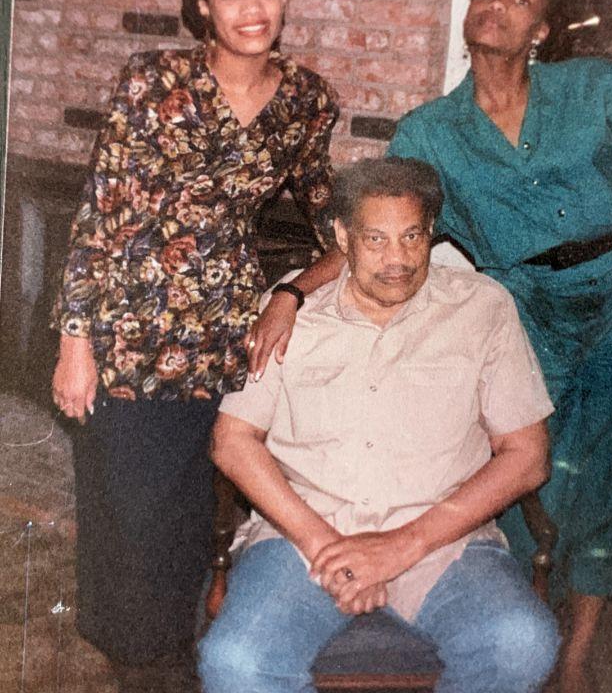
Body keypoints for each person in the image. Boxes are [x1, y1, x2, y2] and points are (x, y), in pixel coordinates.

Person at [248, 0, 612, 693]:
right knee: (510, 462)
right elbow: (375, 232)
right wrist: (290, 294)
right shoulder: (429, 131)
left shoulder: (592, 85)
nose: (496, 7)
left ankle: (573, 655)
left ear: (542, 28)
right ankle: (474, 619)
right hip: (525, 305)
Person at [50, 0, 339, 688]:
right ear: (205, 7)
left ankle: (173, 648)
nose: (253, 9)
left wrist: (291, 293)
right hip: (129, 318)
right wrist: (75, 338)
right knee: (126, 499)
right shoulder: (154, 80)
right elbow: (101, 210)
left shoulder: (307, 100)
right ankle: (128, 653)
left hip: (223, 327)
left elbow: (331, 229)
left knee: (186, 504)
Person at [199, 157, 560, 693]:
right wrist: (325, 545)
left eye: (412, 237)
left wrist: (400, 547)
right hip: (304, 537)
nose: (398, 260)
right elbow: (232, 442)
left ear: (431, 233)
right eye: (376, 240)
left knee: (521, 642)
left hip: (443, 541)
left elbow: (528, 456)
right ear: (342, 236)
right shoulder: (289, 314)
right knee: (236, 662)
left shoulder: (483, 308)